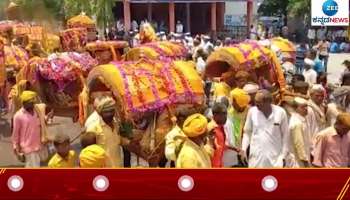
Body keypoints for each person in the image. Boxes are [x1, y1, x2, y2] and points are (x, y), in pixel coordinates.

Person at [241, 90, 289, 167]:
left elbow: (286, 136)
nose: (256, 104)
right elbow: (247, 133)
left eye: (259, 102)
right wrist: (243, 149)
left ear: (268, 102)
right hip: (256, 160)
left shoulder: (280, 112)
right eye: (255, 101)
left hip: (276, 161)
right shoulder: (252, 112)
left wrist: (284, 156)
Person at [85, 96, 130, 167]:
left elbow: (116, 140)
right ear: (100, 112)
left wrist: (129, 142)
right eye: (106, 112)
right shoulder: (93, 126)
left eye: (111, 111)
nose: (109, 114)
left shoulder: (115, 122)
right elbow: (89, 154)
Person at [12, 91, 48, 167]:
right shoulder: (18, 116)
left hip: (39, 145)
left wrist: (48, 118)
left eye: (33, 102)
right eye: (31, 103)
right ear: (24, 103)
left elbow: (41, 122)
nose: (33, 104)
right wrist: (16, 147)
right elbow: (15, 133)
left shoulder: (37, 111)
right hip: (28, 147)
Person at [227, 88, 251, 167]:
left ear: (240, 102)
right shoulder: (230, 112)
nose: (232, 103)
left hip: (247, 147)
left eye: (234, 101)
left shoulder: (250, 112)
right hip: (234, 148)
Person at [289, 97, 312, 167]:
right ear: (295, 108)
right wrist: (305, 162)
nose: (306, 109)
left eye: (306, 106)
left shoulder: (303, 119)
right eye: (302, 107)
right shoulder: (296, 123)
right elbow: (299, 145)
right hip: (299, 161)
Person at [208, 103, 227, 168]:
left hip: (219, 165)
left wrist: (234, 149)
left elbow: (221, 146)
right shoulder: (211, 129)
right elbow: (211, 149)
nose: (226, 117)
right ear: (215, 115)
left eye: (226, 114)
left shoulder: (220, 127)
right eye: (223, 114)